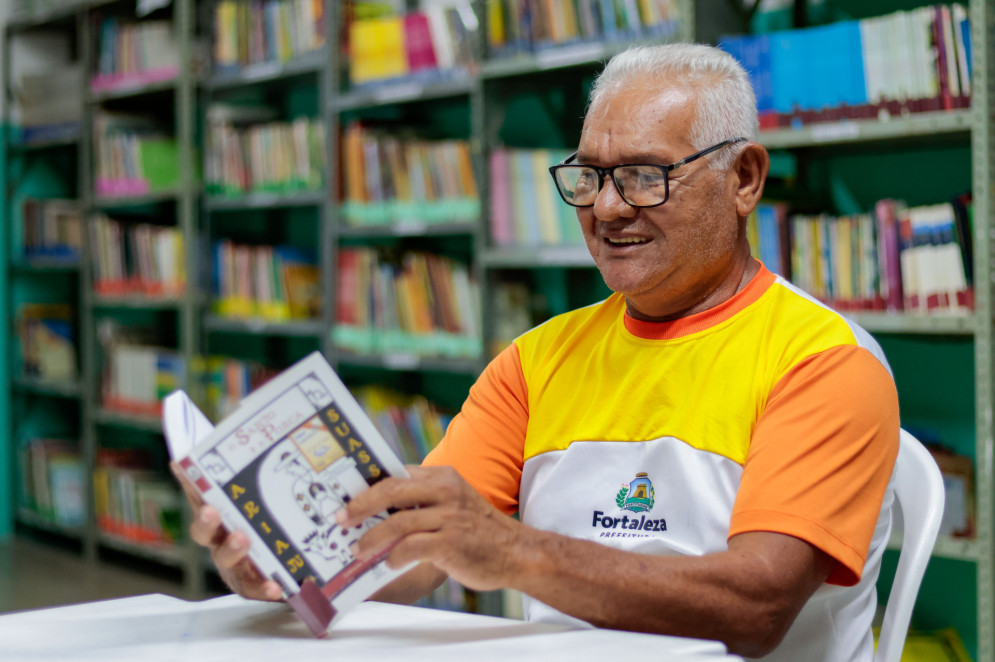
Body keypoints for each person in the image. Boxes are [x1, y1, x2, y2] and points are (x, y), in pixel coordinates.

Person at [178, 43, 899, 661]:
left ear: (743, 179)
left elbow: (755, 608)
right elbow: (415, 554)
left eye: (644, 176)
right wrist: (286, 567)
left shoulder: (823, 363)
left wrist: (514, 552)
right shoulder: (534, 361)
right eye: (590, 176)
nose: (607, 208)